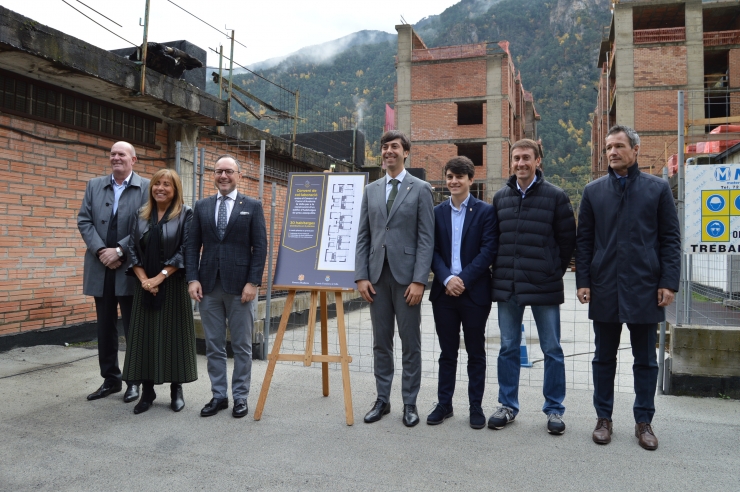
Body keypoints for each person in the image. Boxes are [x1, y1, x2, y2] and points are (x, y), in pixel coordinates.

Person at [576, 125, 680, 450]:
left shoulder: (658, 189)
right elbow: (584, 242)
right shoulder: (593, 192)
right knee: (603, 358)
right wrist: (583, 282)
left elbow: (670, 240)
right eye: (609, 147)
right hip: (605, 285)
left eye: (619, 146)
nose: (612, 152)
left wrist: (668, 282)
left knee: (646, 360)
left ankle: (644, 422)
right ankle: (603, 419)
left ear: (636, 150)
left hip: (646, 288)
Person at [490, 138, 576, 435]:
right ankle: (507, 405)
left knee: (552, 348)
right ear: (511, 162)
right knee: (508, 347)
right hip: (509, 286)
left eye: (527, 157)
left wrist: (552, 270)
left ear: (538, 161)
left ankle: (554, 409)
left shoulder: (555, 196)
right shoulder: (500, 197)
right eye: (516, 158)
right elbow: (495, 240)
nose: (521, 163)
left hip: (544, 285)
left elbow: (567, 242)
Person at [355, 130, 435, 427]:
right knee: (381, 342)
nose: (389, 151)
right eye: (385, 146)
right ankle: (382, 400)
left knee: (410, 342)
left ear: (406, 153)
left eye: (395, 147)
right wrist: (361, 276)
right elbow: (364, 236)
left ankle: (410, 403)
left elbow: (427, 238)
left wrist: (420, 280)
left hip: (406, 280)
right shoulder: (371, 189)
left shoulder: (421, 188)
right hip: (376, 277)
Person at [185, 155, 267, 419]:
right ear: (213, 175)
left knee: (242, 346)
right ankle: (219, 396)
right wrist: (193, 278)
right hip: (208, 287)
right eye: (219, 171)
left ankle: (240, 397)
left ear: (238, 175)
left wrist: (253, 282)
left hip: (241, 289)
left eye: (229, 172)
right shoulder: (202, 206)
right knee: (214, 346)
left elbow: (260, 248)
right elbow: (191, 246)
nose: (223, 176)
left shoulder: (252, 206)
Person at [427, 156, 497, 429]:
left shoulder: (485, 212)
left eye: (459, 177)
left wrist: (462, 279)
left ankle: (476, 407)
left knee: (476, 352)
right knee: (447, 352)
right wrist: (446, 278)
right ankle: (444, 404)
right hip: (444, 294)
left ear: (470, 179)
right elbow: (431, 250)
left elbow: (488, 251)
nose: (453, 181)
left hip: (474, 293)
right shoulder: (437, 212)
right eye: (449, 177)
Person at [78, 141, 150, 403]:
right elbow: (84, 220)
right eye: (113, 154)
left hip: (131, 267)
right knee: (105, 325)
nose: (116, 158)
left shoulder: (146, 187)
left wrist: (119, 251)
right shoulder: (94, 185)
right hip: (100, 267)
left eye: (122, 154)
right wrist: (100, 251)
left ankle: (134, 381)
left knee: (133, 326)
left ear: (134, 159)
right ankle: (110, 379)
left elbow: (146, 224)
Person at [121, 168, 198, 414]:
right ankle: (147, 392)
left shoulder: (186, 214)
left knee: (173, 337)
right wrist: (145, 281)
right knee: (145, 338)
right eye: (157, 184)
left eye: (167, 184)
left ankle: (177, 389)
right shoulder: (140, 214)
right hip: (144, 286)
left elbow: (186, 249)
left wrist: (159, 278)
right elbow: (132, 249)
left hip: (172, 286)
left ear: (175, 190)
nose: (160, 188)